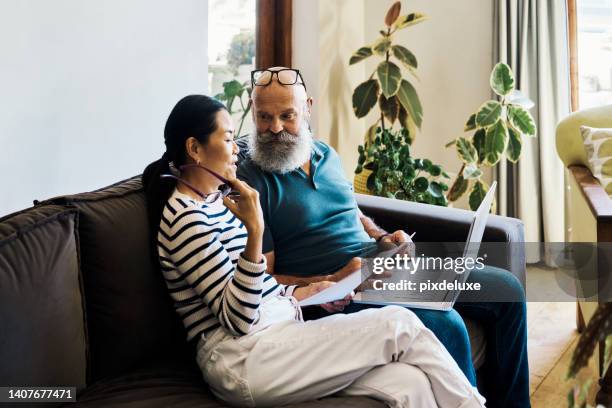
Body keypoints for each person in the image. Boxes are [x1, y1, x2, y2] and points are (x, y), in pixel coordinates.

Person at [142, 94, 485, 408]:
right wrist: (256, 232)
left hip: (280, 333)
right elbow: (238, 317)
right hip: (245, 358)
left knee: (409, 383)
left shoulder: (216, 202)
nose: (237, 150)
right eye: (229, 138)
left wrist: (307, 292)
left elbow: (257, 289)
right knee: (399, 324)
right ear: (195, 148)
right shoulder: (184, 219)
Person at [237, 67, 530, 408]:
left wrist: (383, 237)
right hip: (340, 294)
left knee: (506, 290)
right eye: (264, 117)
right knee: (446, 323)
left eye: (286, 116)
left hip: (382, 267)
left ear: (307, 108)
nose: (275, 128)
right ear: (253, 111)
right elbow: (264, 280)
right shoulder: (250, 181)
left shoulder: (325, 154)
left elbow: (353, 213)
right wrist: (332, 281)